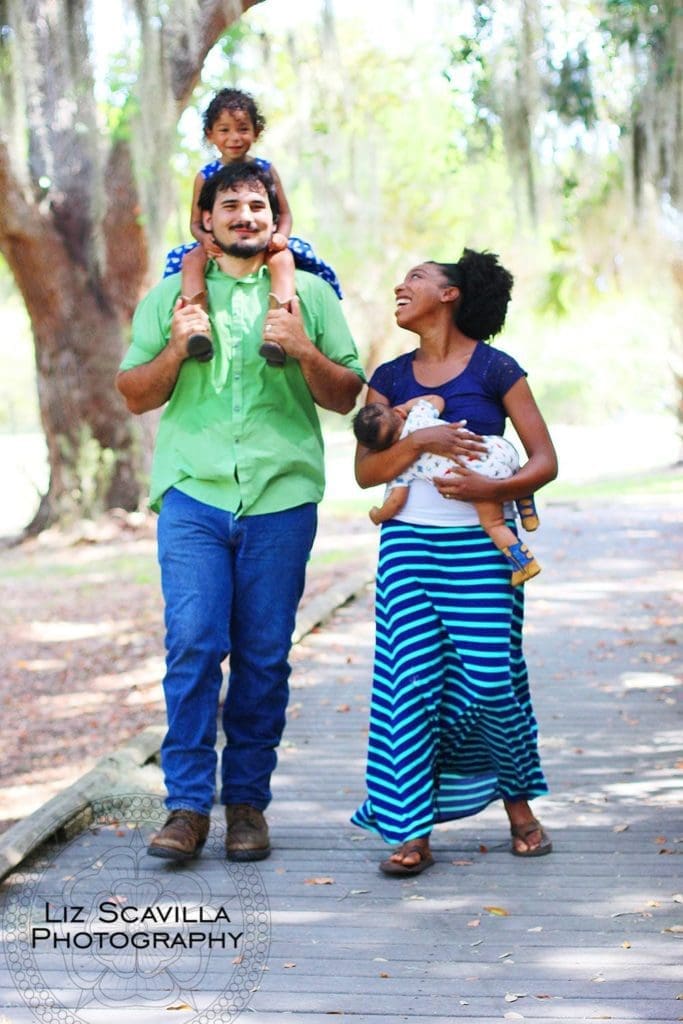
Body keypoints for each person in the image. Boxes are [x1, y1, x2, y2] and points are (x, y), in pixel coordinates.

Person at [116, 161, 364, 864]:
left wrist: (301, 347)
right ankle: (188, 807)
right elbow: (133, 393)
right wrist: (174, 344)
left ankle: (247, 804)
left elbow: (346, 392)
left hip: (280, 500)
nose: (245, 215)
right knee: (193, 643)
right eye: (231, 205)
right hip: (193, 496)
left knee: (263, 656)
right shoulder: (171, 296)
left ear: (273, 217)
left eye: (257, 204)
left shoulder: (310, 294)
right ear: (205, 222)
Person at [350, 248, 558, 876]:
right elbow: (365, 472)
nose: (400, 285)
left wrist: (490, 491)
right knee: (410, 687)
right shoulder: (388, 378)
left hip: (479, 551)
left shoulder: (497, 369)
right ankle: (410, 830)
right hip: (409, 550)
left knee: (493, 681)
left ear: (451, 295)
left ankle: (517, 802)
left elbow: (543, 460)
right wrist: (420, 439)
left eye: (415, 277)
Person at [164, 87, 342, 366]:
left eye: (243, 129)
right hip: (215, 242)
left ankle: (277, 333)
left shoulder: (266, 170)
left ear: (256, 132)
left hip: (262, 240)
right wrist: (204, 239)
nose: (234, 138)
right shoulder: (205, 175)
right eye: (224, 130)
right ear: (210, 135)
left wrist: (281, 236)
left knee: (283, 260)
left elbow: (284, 213)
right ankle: (196, 330)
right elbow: (196, 223)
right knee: (190, 260)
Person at [352, 394, 541, 585]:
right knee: (509, 470)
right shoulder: (419, 416)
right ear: (399, 414)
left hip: (479, 479)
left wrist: (377, 515)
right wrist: (407, 404)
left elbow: (395, 502)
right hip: (498, 448)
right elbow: (437, 400)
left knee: (494, 524)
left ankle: (524, 563)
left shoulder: (402, 463)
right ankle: (525, 501)